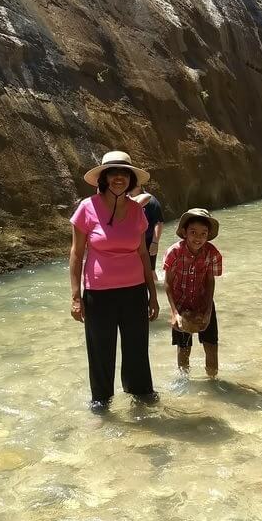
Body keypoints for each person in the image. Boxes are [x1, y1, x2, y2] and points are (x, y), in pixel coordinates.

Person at [69, 151, 159, 412]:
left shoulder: (136, 210)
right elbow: (76, 254)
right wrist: (76, 297)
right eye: (113, 173)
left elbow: (143, 254)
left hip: (134, 291)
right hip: (99, 293)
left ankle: (141, 399)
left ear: (130, 179)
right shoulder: (87, 208)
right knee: (100, 351)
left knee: (137, 349)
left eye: (124, 173)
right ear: (104, 178)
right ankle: (101, 403)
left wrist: (152, 294)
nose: (119, 177)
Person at [163, 208, 223, 377]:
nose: (198, 238)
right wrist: (175, 313)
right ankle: (184, 380)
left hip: (204, 302)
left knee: (211, 345)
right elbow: (167, 283)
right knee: (183, 348)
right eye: (193, 232)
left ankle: (213, 380)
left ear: (208, 235)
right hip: (181, 304)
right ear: (184, 233)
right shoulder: (174, 252)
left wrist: (208, 311)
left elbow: (210, 281)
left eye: (203, 233)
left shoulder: (212, 253)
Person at [129, 186, 164, 271]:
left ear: (139, 185)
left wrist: (155, 242)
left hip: (148, 241)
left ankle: (155, 284)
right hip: (133, 242)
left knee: (150, 270)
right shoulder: (125, 200)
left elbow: (159, 222)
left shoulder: (151, 201)